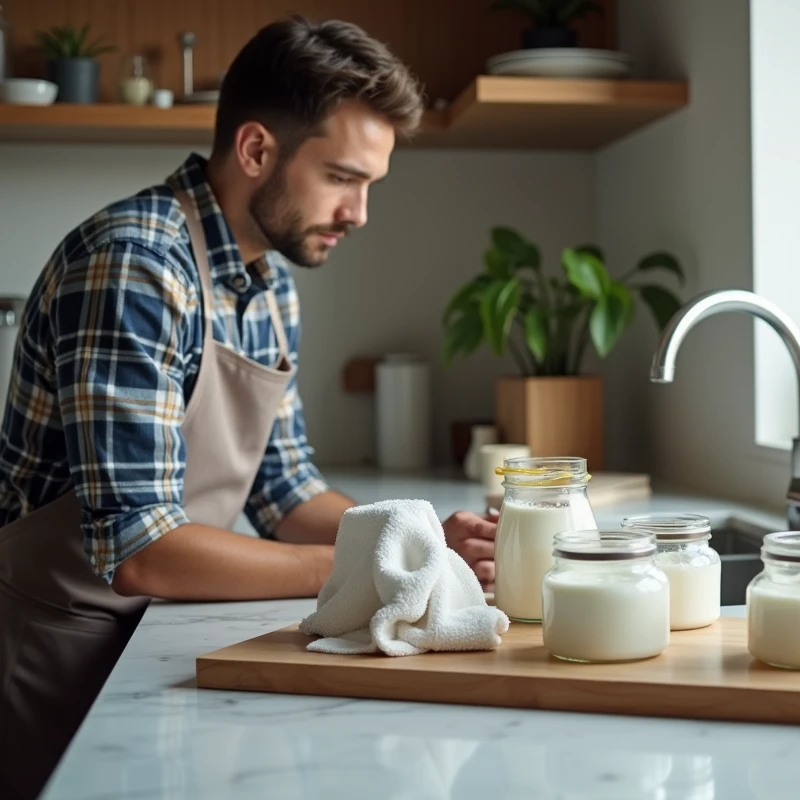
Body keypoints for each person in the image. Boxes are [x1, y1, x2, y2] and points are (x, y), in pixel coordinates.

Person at [0, 17, 497, 799]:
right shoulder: (137, 264)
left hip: (161, 630)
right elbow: (141, 548)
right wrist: (359, 570)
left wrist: (414, 537)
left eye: (370, 184)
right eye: (342, 177)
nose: (360, 212)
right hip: (60, 644)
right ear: (258, 150)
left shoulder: (268, 285)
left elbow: (284, 490)